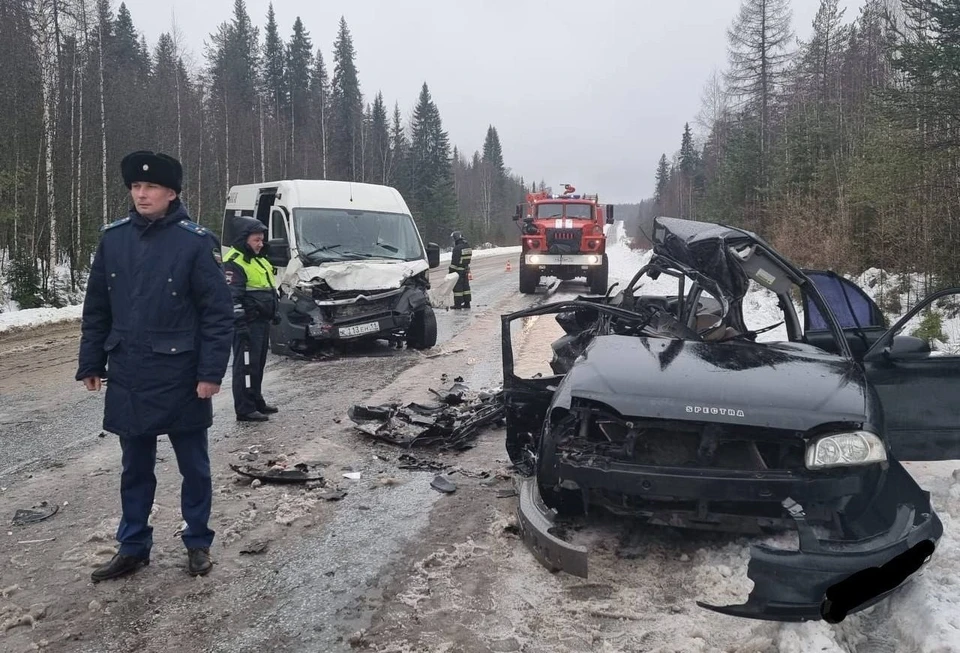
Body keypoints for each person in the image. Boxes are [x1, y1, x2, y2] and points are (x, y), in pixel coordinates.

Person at [75, 150, 234, 581]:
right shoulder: (114, 239)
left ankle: (198, 541)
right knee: (134, 468)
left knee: (194, 467)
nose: (141, 194)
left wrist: (209, 373)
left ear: (171, 193)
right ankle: (133, 546)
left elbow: (217, 314)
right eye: (135, 187)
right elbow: (97, 308)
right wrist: (91, 360)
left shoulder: (196, 242)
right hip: (129, 370)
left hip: (182, 375)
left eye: (151, 188)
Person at [223, 216, 280, 422]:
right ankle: (245, 408)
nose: (260, 243)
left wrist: (275, 311)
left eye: (262, 239)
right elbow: (232, 296)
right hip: (247, 323)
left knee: (258, 364)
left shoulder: (259, 259)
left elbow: (268, 288)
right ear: (244, 239)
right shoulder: (234, 262)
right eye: (256, 239)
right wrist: (239, 323)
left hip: (260, 322)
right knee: (245, 366)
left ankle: (256, 400)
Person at [449, 231, 473, 309]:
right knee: (466, 287)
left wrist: (450, 272)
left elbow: (454, 262)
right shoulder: (467, 246)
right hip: (465, 269)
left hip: (458, 271)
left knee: (457, 288)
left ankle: (458, 304)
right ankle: (467, 303)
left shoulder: (457, 248)